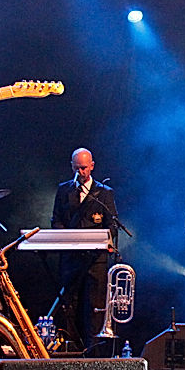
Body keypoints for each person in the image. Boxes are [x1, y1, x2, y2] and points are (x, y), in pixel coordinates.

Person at [50, 148, 118, 350]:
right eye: (77, 168)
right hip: (71, 258)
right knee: (69, 302)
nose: (81, 172)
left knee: (94, 305)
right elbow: (56, 220)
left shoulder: (104, 193)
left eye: (84, 168)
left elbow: (112, 224)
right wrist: (67, 238)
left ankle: (93, 349)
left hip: (95, 260)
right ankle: (69, 347)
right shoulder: (64, 190)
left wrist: (102, 240)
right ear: (72, 166)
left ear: (92, 166)